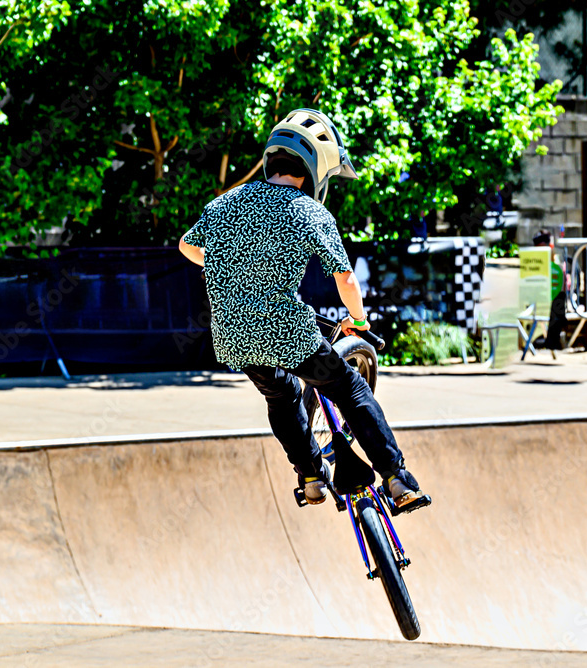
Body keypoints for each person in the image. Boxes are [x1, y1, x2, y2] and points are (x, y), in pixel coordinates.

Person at [178, 108, 424, 508]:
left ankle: (311, 477)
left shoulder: (226, 203)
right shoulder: (309, 210)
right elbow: (346, 279)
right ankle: (397, 477)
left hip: (233, 335)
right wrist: (358, 321)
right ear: (316, 169)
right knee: (348, 387)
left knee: (282, 395)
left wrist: (230, 267)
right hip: (289, 335)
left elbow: (187, 245)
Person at [532, 228, 570, 351]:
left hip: (553, 298)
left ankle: (552, 341)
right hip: (538, 298)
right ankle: (549, 340)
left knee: (558, 301)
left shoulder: (557, 262)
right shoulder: (534, 261)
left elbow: (561, 286)